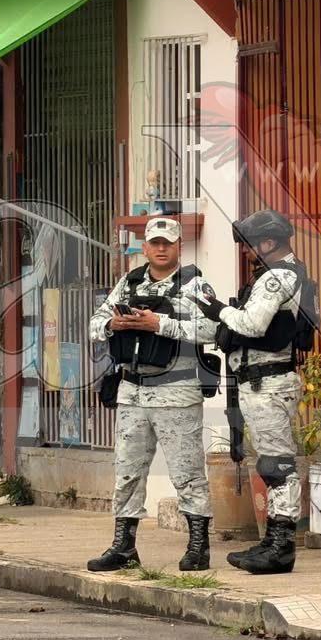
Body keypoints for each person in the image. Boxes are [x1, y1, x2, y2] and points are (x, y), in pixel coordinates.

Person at [86, 217, 219, 574]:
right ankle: (123, 546)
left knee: (187, 472)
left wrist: (158, 324)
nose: (161, 249)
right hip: (132, 392)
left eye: (168, 243)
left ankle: (198, 547)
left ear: (179, 247)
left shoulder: (194, 284)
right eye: (155, 243)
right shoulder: (128, 283)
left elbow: (213, 327)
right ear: (144, 248)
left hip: (176, 392)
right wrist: (115, 324)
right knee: (127, 472)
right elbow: (94, 324)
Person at [193, 208, 311, 575]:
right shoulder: (275, 275)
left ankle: (281, 547)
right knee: (271, 463)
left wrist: (216, 309)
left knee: (278, 464)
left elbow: (252, 323)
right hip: (261, 382)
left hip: (269, 382)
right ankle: (273, 540)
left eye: (250, 244)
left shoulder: (277, 277)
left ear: (270, 242)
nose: (246, 252)